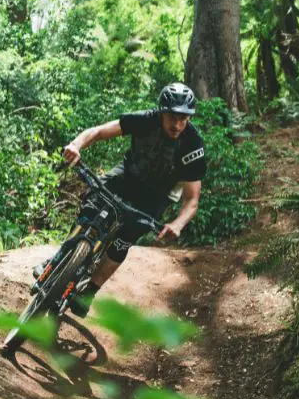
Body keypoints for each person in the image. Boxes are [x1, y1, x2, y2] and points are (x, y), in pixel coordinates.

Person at [35, 82, 206, 317]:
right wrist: (76, 145)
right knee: (93, 201)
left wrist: (177, 224)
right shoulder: (146, 120)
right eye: (172, 117)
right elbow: (98, 131)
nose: (177, 124)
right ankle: (60, 257)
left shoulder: (193, 145)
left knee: (126, 237)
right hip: (128, 174)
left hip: (156, 195)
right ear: (162, 112)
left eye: (183, 119)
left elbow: (191, 200)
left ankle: (90, 290)